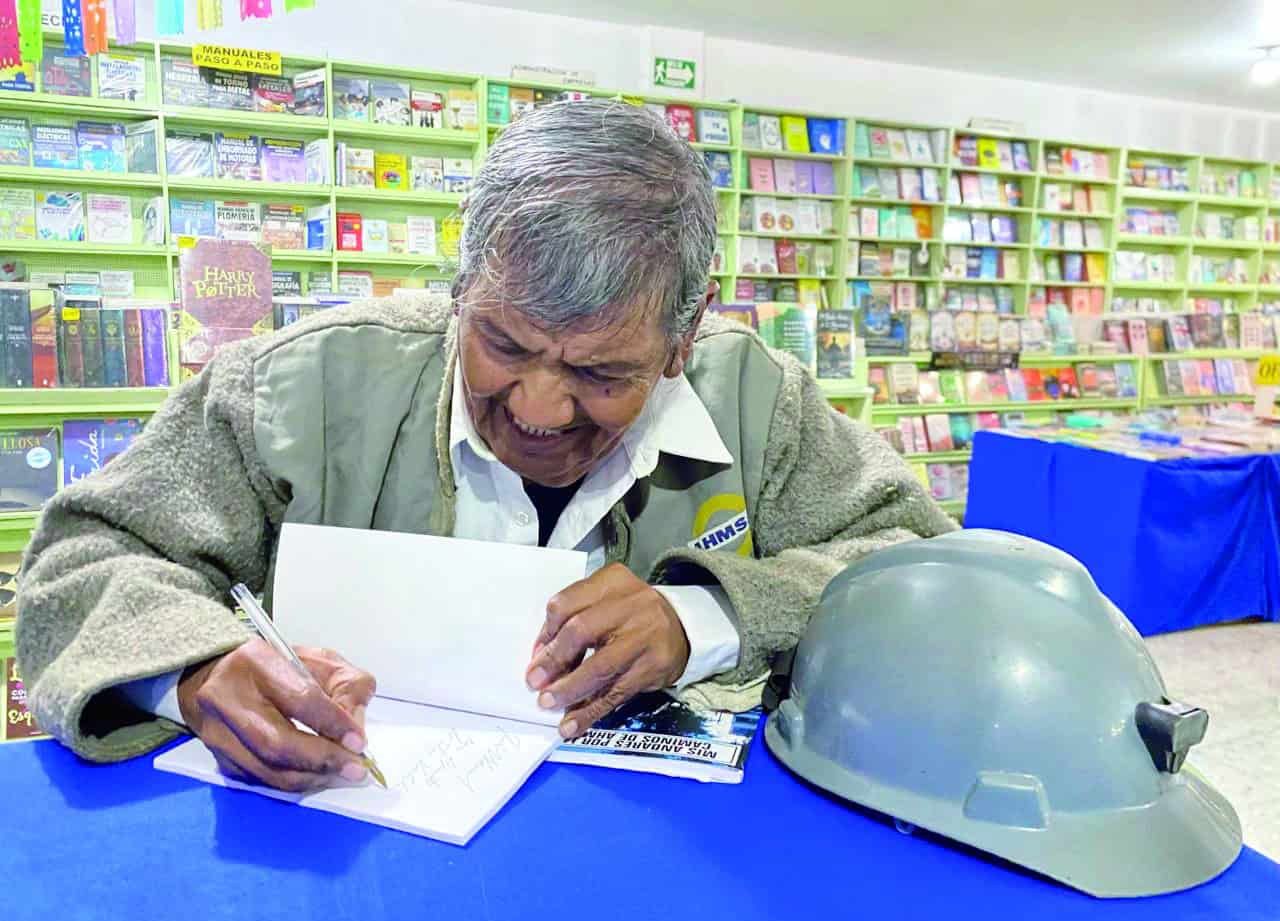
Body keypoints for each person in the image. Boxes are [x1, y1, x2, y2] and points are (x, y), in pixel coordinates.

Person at [17, 100, 952, 792]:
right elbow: (82, 559)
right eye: (502, 345)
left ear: (685, 334)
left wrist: (704, 617)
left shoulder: (755, 399)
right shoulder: (299, 386)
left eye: (601, 372)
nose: (540, 407)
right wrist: (194, 672)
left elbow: (921, 564)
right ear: (461, 287)